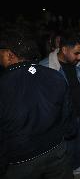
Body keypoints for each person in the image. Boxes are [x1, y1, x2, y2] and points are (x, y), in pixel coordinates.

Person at [0, 26, 73, 178]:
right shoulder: (55, 76)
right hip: (56, 150)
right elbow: (66, 115)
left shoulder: (4, 85)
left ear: (9, 55)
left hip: (21, 160)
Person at [40, 29, 80, 174]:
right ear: (64, 49)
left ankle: (75, 166)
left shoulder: (79, 63)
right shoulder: (45, 67)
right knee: (65, 149)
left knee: (79, 144)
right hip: (61, 117)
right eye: (76, 53)